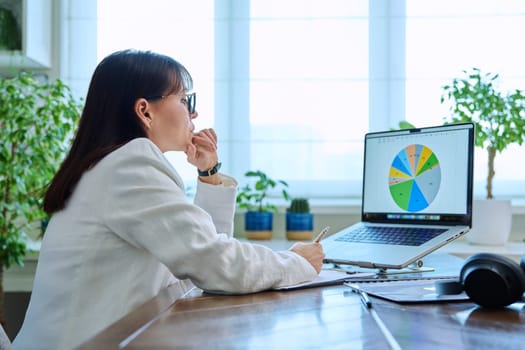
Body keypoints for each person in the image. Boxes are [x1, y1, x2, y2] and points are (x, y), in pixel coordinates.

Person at [13, 49, 325, 349]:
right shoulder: (130, 164)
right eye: (184, 99)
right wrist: (296, 263)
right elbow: (212, 263)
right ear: (145, 111)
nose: (194, 113)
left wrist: (209, 173)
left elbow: (201, 255)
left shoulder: (110, 165)